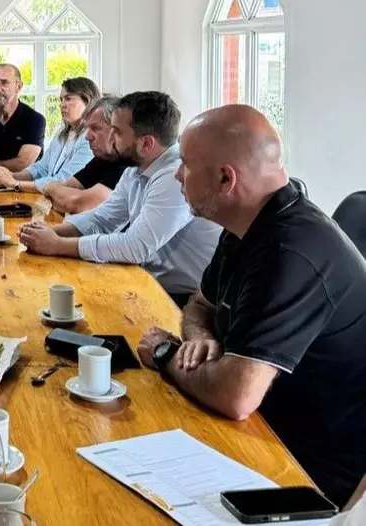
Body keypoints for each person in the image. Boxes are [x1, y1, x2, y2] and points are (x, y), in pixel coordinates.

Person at [135, 104, 366, 506]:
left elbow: (237, 396)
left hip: (302, 471)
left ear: (226, 179)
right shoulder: (248, 222)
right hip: (258, 424)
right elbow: (200, 303)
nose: (176, 175)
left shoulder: (290, 252)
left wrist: (165, 353)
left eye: (186, 164)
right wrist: (199, 339)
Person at [18, 91, 221, 304]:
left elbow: (134, 247)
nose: (111, 138)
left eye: (117, 132)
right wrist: (47, 232)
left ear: (146, 143)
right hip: (150, 284)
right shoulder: (135, 169)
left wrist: (57, 245)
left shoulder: (173, 175)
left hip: (188, 302)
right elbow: (102, 219)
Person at [0, 77, 98, 193]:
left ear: (87, 101)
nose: (62, 105)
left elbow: (65, 181)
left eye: (68, 99)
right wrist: (12, 175)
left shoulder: (91, 139)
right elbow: (42, 168)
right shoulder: (62, 133)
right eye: (61, 100)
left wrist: (16, 184)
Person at [41, 95, 133, 214]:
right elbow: (66, 190)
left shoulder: (129, 166)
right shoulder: (103, 159)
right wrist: (63, 195)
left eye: (95, 128)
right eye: (87, 128)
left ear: (116, 129)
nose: (87, 136)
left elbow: (78, 205)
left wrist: (52, 189)